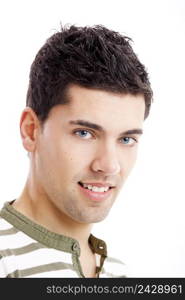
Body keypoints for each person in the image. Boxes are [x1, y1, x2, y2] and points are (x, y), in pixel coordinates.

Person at [0, 24, 152, 278]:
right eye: (84, 133)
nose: (109, 165)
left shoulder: (120, 275)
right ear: (30, 131)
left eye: (126, 139)